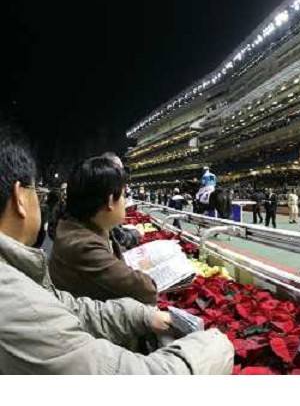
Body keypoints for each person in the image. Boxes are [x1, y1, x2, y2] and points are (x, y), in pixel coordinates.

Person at [0, 126, 233, 374]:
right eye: (35, 190)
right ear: (20, 198)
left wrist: (141, 316)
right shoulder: (22, 296)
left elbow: (69, 306)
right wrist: (217, 346)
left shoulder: (23, 277)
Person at [49, 157, 158, 304]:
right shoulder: (83, 246)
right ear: (110, 201)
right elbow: (146, 290)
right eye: (124, 196)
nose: (125, 202)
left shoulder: (80, 226)